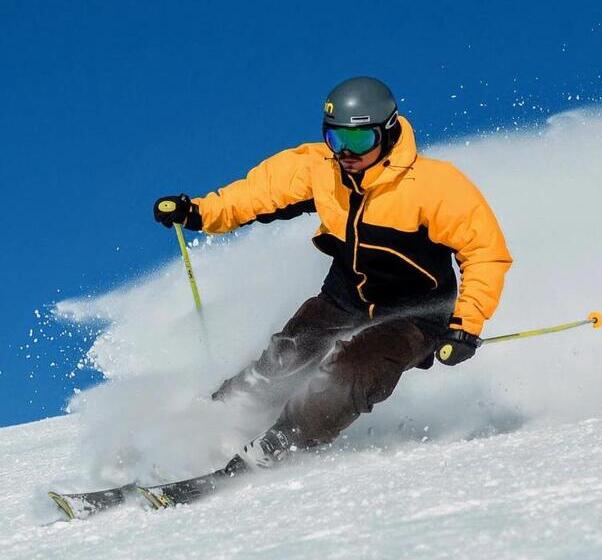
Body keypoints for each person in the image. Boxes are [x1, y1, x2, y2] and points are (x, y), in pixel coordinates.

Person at [153, 77, 512, 473]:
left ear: (387, 132)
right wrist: (200, 212)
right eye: (335, 139)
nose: (345, 153)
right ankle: (209, 424)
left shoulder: (434, 186)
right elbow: (258, 193)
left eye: (358, 142)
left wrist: (465, 325)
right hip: (345, 298)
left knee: (353, 370)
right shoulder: (322, 169)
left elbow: (486, 252)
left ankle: (280, 442)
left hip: (418, 314)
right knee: (285, 357)